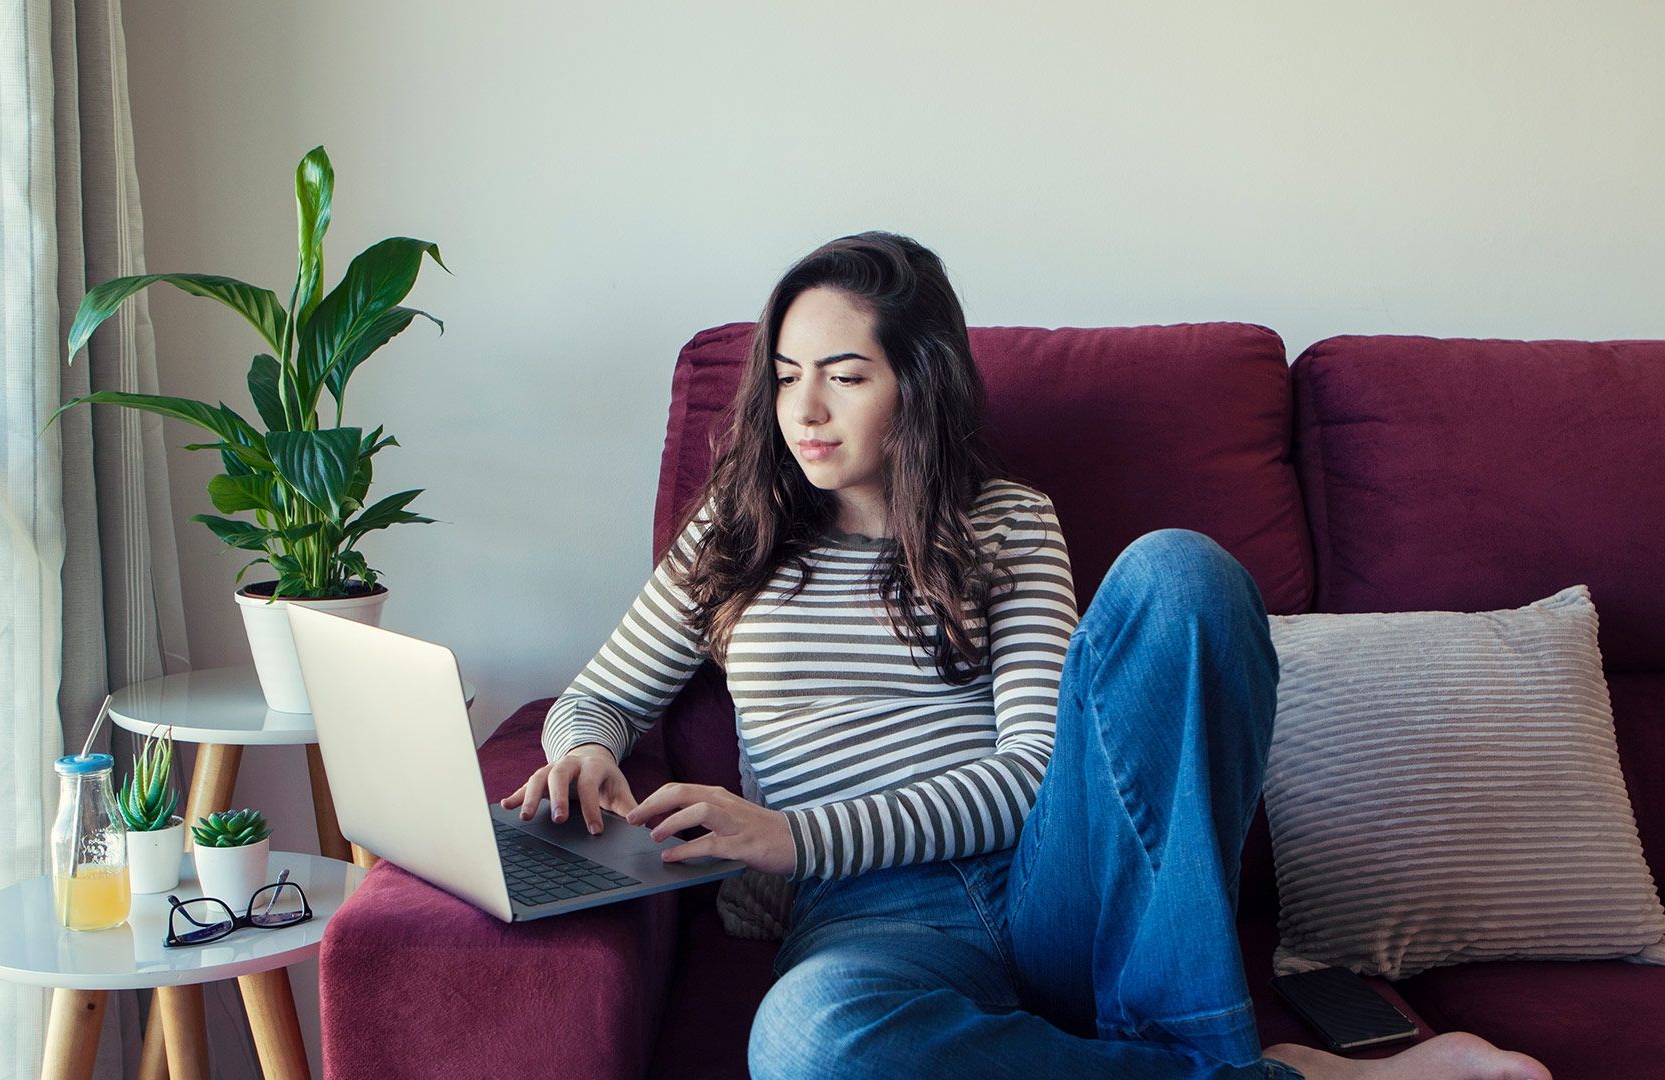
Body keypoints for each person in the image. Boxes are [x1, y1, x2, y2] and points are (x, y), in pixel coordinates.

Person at [500, 232, 1550, 1080]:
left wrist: (790, 834)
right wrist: (585, 749)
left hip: (1053, 882)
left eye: (844, 375)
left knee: (1183, 573)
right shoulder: (737, 533)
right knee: (806, 1043)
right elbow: (599, 697)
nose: (804, 412)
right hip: (878, 921)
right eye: (784, 378)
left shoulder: (1007, 523)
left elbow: (1028, 776)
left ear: (918, 381)